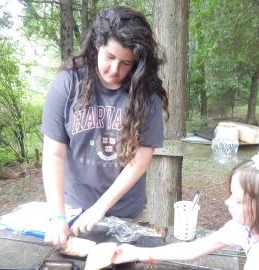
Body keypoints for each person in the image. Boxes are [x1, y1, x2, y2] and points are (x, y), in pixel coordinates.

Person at [41, 6, 168, 249]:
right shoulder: (67, 83)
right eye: (110, 57)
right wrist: (58, 216)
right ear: (97, 44)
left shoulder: (146, 94)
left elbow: (142, 157)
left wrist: (101, 207)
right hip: (73, 208)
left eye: (126, 63)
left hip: (125, 210)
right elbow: (54, 154)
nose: (115, 69)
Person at [112, 146, 259, 270]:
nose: (228, 202)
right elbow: (193, 249)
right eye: (231, 193)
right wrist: (138, 254)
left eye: (239, 200)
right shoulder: (243, 229)